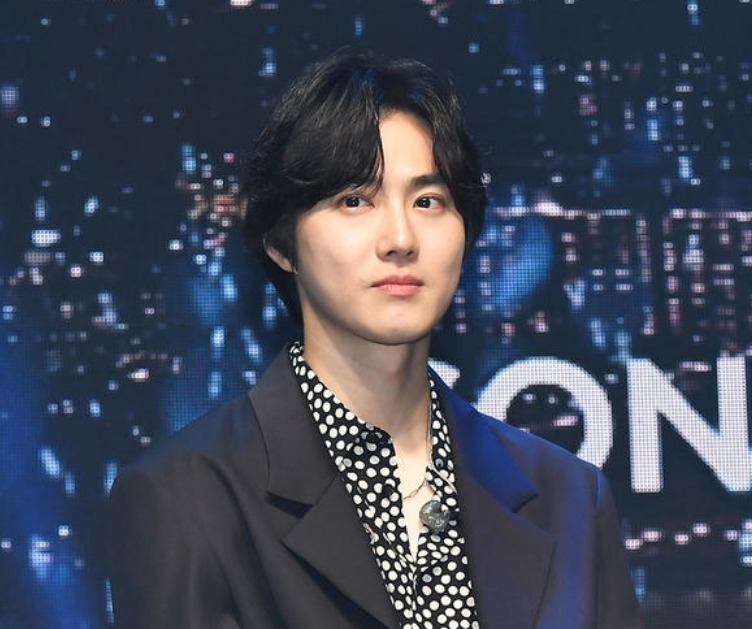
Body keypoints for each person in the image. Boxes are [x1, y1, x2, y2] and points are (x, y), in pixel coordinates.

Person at [107, 50, 643, 629]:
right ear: (282, 243)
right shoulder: (186, 498)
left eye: (428, 201)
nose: (400, 238)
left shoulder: (570, 497)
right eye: (355, 201)